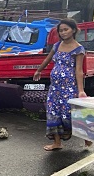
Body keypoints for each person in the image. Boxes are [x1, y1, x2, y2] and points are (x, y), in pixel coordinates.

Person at [33, 18, 89, 151]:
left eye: (66, 29)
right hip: (55, 88)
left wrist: (80, 90)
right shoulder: (57, 45)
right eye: (61, 30)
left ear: (73, 30)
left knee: (69, 115)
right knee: (53, 113)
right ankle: (57, 143)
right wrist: (39, 70)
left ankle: (87, 137)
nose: (63, 33)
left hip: (69, 88)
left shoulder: (78, 49)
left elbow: (79, 70)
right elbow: (48, 59)